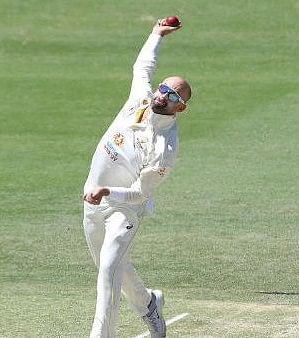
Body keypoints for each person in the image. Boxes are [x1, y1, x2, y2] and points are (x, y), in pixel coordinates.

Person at [82, 17, 191, 338]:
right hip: (92, 198)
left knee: (107, 274)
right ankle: (149, 305)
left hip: (123, 209)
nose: (164, 95)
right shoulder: (140, 100)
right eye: (164, 88)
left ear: (180, 108)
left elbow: (139, 194)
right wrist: (156, 33)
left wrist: (107, 192)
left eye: (173, 95)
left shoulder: (165, 147)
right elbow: (142, 67)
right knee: (112, 267)